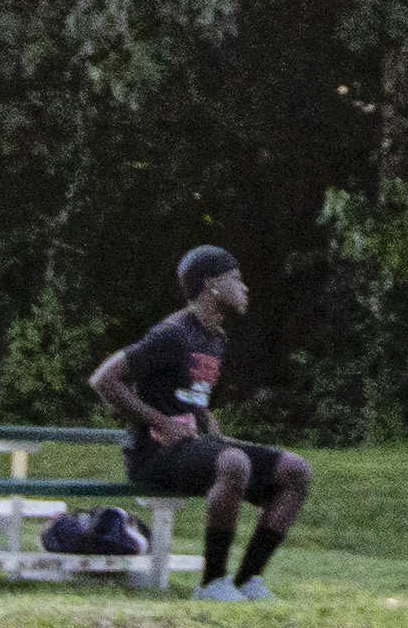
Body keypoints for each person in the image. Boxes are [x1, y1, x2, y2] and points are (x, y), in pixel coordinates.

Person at [92, 246, 312, 600]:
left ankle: (247, 580)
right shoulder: (173, 333)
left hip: (194, 449)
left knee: (296, 471)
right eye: (236, 280)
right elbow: (104, 379)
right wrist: (159, 420)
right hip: (154, 456)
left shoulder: (216, 338)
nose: (245, 288)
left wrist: (213, 430)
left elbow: (194, 401)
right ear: (210, 284)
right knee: (233, 462)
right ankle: (212, 582)